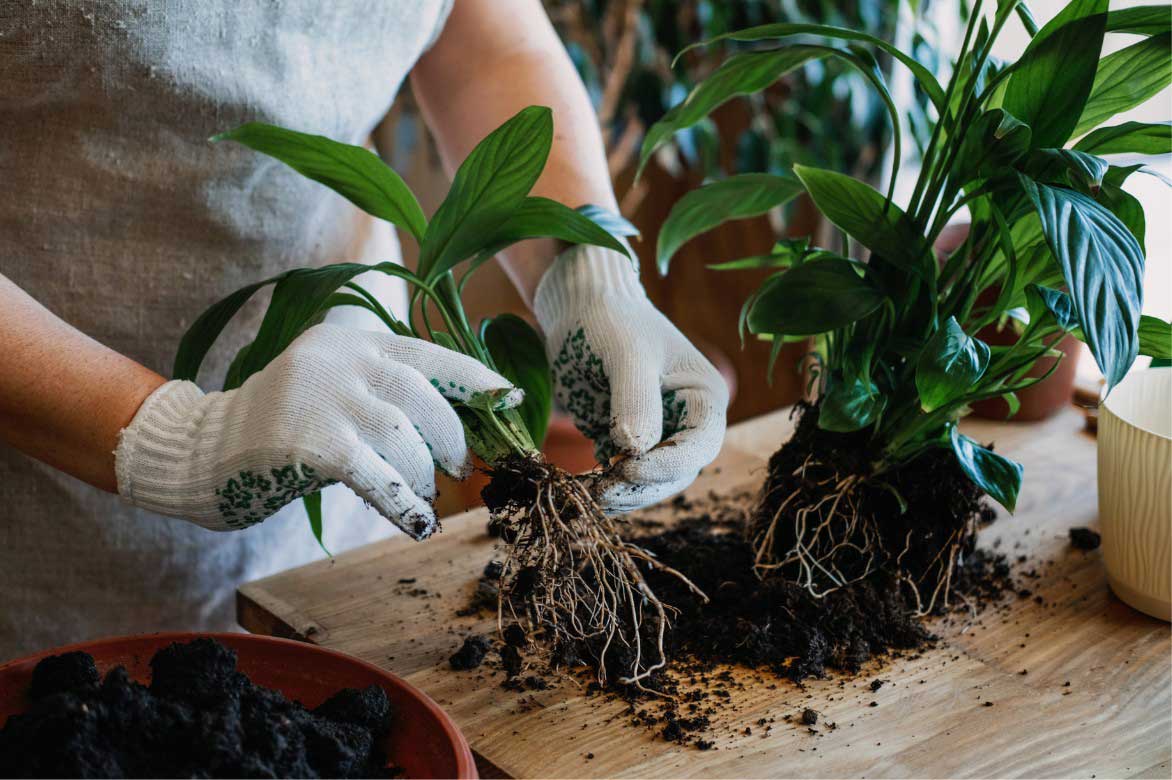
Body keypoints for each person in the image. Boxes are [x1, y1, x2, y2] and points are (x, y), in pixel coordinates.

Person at [0, 0, 728, 660]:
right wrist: (175, 441)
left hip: (349, 433)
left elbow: (485, 41)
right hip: (40, 508)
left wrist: (586, 272)